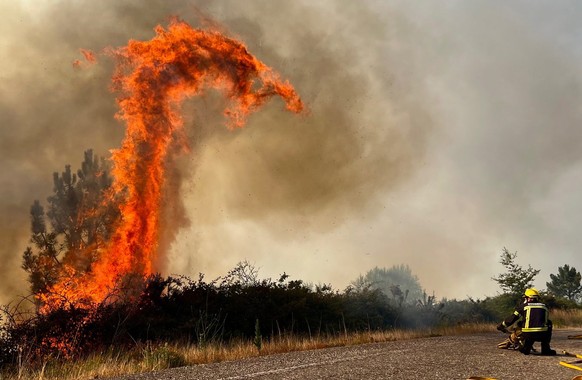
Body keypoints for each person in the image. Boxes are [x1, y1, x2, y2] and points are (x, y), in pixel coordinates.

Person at [497, 288, 556, 355]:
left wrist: (501, 326)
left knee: (520, 324)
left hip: (528, 335)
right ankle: (546, 349)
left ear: (528, 298)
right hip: (542, 335)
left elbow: (512, 318)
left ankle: (523, 346)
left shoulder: (523, 306)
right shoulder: (544, 306)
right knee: (549, 323)